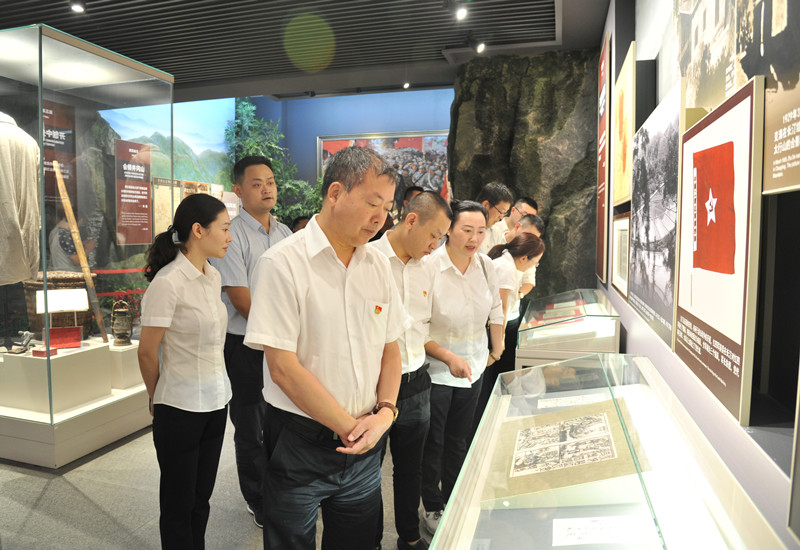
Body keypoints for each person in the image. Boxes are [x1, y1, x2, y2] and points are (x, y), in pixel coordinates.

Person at [244, 146, 407, 550]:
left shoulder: (378, 265)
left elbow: (390, 348)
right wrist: (352, 428)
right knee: (290, 541)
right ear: (335, 193)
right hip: (299, 440)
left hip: (366, 438)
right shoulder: (282, 263)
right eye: (372, 203)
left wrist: (385, 412)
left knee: (356, 540)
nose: (380, 218)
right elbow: (282, 368)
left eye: (387, 208)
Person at [137, 193, 233, 549]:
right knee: (178, 503)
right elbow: (147, 352)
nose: (229, 237)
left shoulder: (213, 275)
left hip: (217, 402)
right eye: (224, 229)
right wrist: (156, 395)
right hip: (179, 407)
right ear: (198, 230)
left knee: (200, 499)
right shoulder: (168, 282)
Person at [208, 156, 292, 528]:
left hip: (280, 343)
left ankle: (282, 489)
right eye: (256, 184)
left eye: (270, 181)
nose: (266, 189)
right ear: (239, 191)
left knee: (282, 418)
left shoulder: (285, 232)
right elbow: (241, 299)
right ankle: (257, 498)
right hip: (244, 345)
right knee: (251, 425)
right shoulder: (233, 234)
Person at [369, 192, 453, 550]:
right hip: (374, 385)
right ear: (412, 220)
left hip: (417, 380)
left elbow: (425, 326)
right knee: (368, 473)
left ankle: (408, 536)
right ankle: (370, 540)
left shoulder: (428, 267)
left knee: (410, 468)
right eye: (434, 235)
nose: (435, 246)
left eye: (441, 239)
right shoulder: (369, 258)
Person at [420, 200, 504, 535]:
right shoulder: (429, 266)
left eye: (481, 231)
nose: (474, 238)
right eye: (467, 230)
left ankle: (454, 498)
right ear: (449, 230)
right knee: (433, 442)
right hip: (436, 371)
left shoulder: (485, 265)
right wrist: (448, 358)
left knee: (459, 439)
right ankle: (432, 505)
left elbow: (496, 309)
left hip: (475, 367)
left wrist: (497, 349)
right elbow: (417, 327)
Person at [470, 233, 546, 439]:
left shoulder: (506, 263)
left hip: (490, 329)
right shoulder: (506, 269)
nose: (534, 266)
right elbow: (500, 309)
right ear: (524, 258)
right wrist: (499, 341)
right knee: (486, 384)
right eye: (535, 262)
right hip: (488, 331)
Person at [474, 182, 513, 253]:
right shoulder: (462, 223)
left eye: (504, 214)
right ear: (486, 205)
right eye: (501, 212)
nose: (501, 218)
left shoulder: (495, 232)